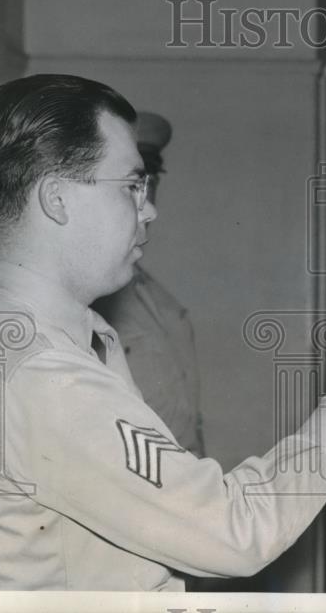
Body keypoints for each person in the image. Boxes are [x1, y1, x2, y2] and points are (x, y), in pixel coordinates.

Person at [0, 74, 326, 590]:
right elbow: (235, 531)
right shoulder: (46, 375)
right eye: (131, 186)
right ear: (58, 199)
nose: (149, 208)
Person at [93, 111, 204, 456]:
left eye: (150, 183)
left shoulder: (147, 288)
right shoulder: (88, 295)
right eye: (131, 186)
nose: (146, 203)